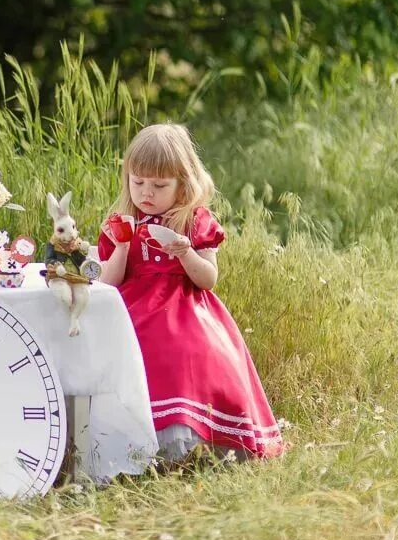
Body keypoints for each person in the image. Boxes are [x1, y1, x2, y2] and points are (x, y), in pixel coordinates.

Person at [97, 123, 284, 463]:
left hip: (185, 307)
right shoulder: (124, 222)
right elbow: (107, 285)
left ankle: (196, 436)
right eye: (137, 183)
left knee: (186, 348)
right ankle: (131, 443)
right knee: (130, 349)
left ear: (182, 184)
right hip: (132, 308)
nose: (146, 193)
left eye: (158, 185)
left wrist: (185, 253)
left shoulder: (194, 221)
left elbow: (208, 279)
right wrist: (123, 247)